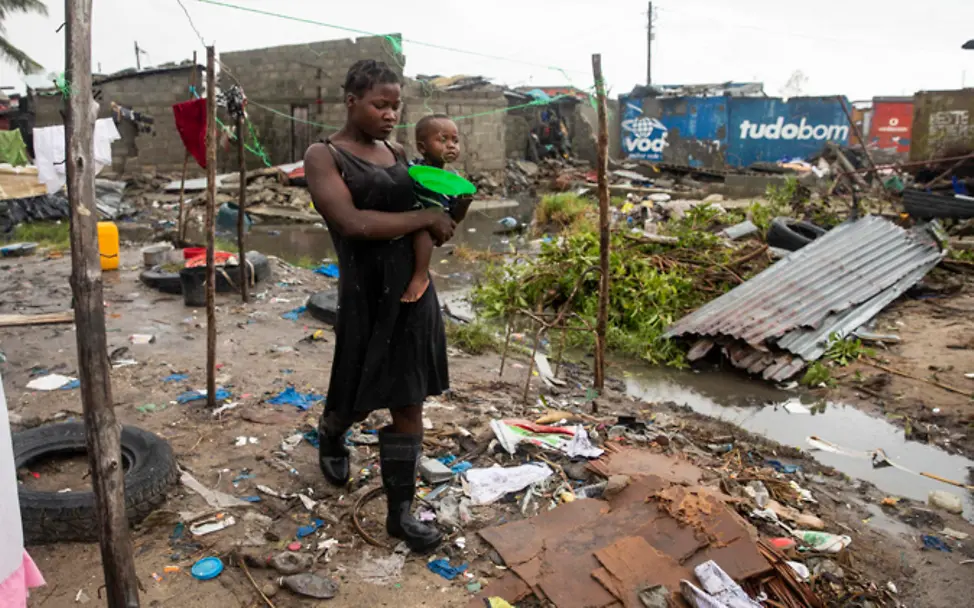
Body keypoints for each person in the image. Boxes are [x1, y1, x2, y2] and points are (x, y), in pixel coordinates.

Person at [304, 59, 455, 553]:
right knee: (355, 394)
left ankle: (400, 514)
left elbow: (432, 215)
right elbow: (352, 223)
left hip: (412, 290)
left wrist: (448, 207)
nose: (391, 115)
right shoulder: (324, 156)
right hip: (364, 294)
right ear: (352, 102)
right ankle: (332, 432)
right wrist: (424, 218)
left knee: (408, 399)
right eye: (380, 105)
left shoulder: (397, 152)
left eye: (396, 106)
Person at [402, 114, 473, 303]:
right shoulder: (415, 169)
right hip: (412, 222)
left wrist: (464, 202)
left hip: (436, 227)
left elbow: (453, 219)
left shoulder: (452, 181)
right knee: (422, 232)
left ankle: (421, 271)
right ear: (422, 148)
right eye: (443, 140)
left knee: (427, 233)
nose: (451, 146)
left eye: (455, 141)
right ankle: (420, 276)